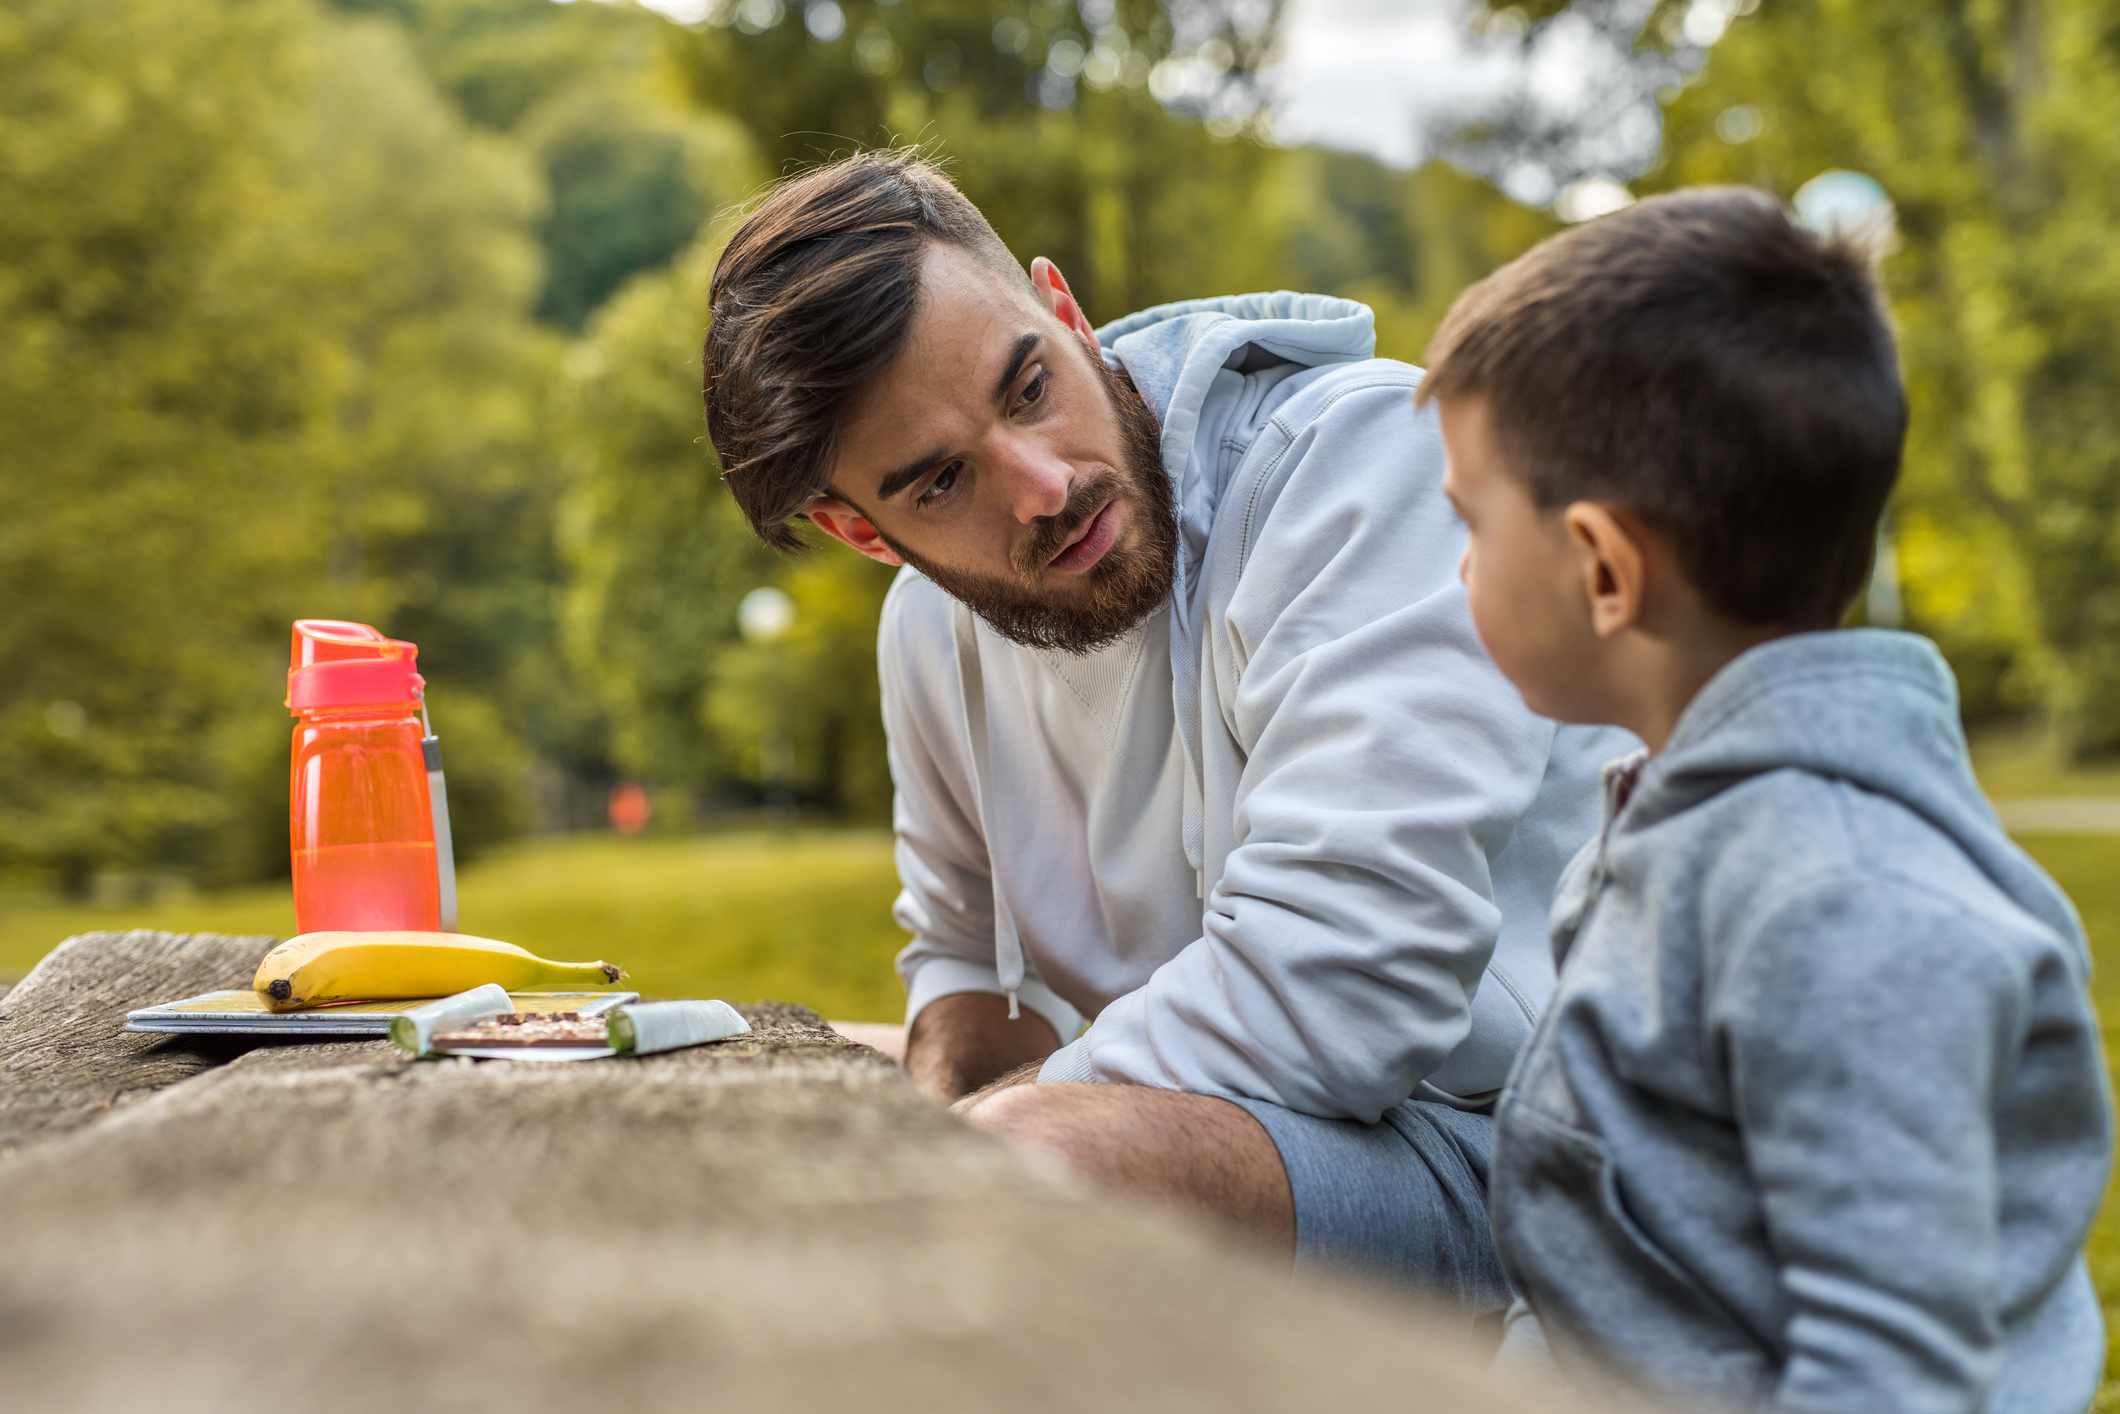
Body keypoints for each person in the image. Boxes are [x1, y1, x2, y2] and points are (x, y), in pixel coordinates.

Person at [699, 149, 1625, 1305]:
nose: (1039, 485)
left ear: (1064, 312)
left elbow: (1352, 982)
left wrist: (992, 1130)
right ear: (863, 532)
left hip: (1550, 1163)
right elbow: (959, 961)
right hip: (1280, 1132)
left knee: (1030, 1167)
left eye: (1027, 386)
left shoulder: (1360, 465)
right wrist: (955, 1085)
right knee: (757, 1071)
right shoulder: (926, 636)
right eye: (940, 482)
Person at [1422, 186, 2113, 1410]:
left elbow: (1890, 1378)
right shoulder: (1677, 820)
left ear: (1601, 566)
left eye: (1469, 521)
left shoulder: (1837, 902)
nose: (1459, 565)